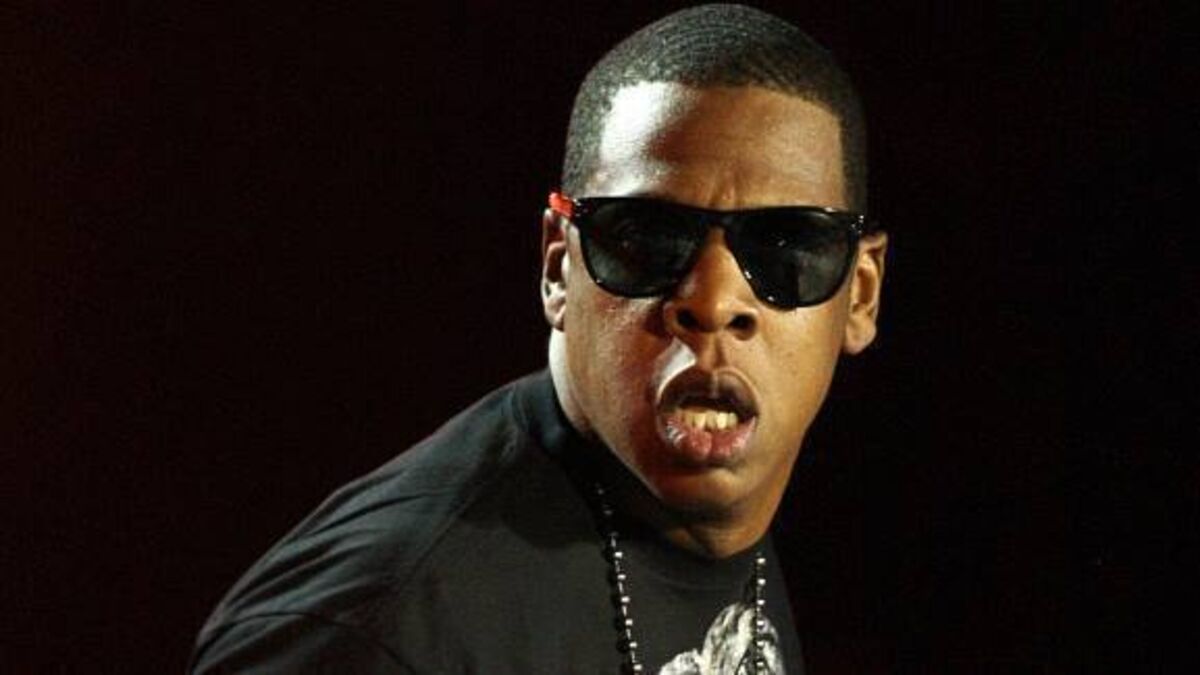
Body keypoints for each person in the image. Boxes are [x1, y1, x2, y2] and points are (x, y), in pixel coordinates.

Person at [191, 4, 886, 673]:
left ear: (859, 294)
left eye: (785, 247)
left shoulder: (715, 523)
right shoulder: (377, 631)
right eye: (646, 238)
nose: (713, 301)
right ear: (559, 268)